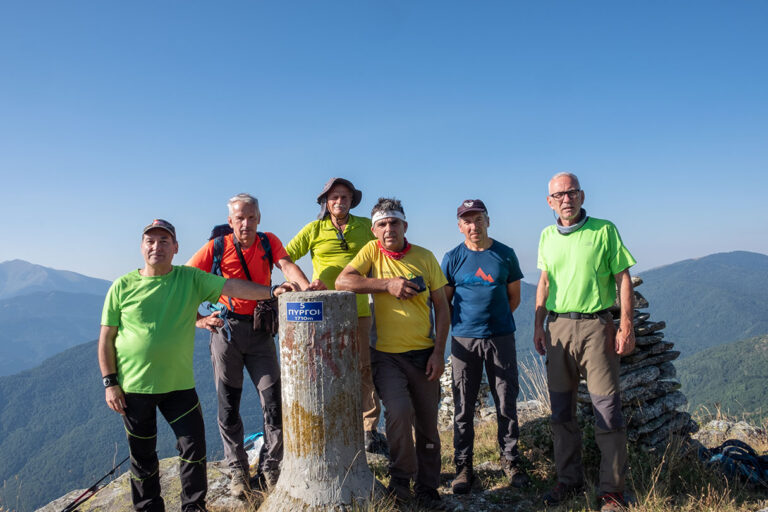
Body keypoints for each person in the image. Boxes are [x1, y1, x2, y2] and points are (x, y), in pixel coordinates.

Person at [98, 219, 296, 512]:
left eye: (164, 241)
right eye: (150, 241)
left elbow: (232, 286)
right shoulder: (122, 286)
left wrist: (272, 291)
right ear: (141, 247)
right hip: (133, 387)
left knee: (194, 450)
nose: (156, 247)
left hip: (179, 386)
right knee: (142, 457)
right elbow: (106, 338)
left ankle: (194, 508)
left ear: (176, 248)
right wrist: (110, 383)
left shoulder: (189, 279)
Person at [187, 194, 323, 497]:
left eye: (251, 217)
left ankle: (270, 466)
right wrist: (198, 319)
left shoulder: (268, 241)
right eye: (239, 218)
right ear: (230, 221)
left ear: (258, 218)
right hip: (227, 331)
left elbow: (287, 265)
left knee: (273, 400)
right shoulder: (217, 247)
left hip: (261, 331)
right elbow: (185, 278)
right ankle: (237, 469)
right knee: (229, 404)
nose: (245, 223)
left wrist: (306, 288)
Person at [336, 198, 450, 511]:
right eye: (382, 224)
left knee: (427, 424)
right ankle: (401, 483)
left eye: (394, 223)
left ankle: (427, 489)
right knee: (398, 413)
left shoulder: (425, 257)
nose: (389, 229)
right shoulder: (371, 252)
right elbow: (343, 281)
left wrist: (439, 353)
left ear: (405, 226)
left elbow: (442, 308)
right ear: (374, 230)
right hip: (386, 356)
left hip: (424, 353)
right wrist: (387, 284)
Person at [533, 173, 636, 512]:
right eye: (559, 195)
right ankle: (569, 480)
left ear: (582, 195)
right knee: (561, 412)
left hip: (596, 327)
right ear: (550, 202)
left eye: (572, 192)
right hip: (558, 328)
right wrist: (538, 325)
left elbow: (622, 278)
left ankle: (612, 492)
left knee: (607, 410)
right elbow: (544, 282)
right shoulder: (546, 236)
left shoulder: (604, 230)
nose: (566, 199)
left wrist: (626, 326)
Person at [285, 177, 387, 455]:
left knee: (364, 368)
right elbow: (284, 257)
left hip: (360, 308)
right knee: (326, 369)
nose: (339, 201)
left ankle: (368, 429)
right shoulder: (314, 229)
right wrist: (303, 284)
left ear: (352, 200)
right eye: (334, 197)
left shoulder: (365, 226)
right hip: (324, 313)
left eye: (344, 197)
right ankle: (330, 425)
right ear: (325, 202)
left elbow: (386, 251)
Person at [441, 199, 531, 494]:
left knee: (506, 400)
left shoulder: (505, 254)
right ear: (460, 226)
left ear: (488, 221)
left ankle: (511, 460)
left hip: (500, 337)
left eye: (478, 219)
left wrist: (495, 322)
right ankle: (463, 466)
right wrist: (465, 326)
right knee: (463, 404)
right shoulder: (452, 258)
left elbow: (513, 297)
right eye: (467, 221)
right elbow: (444, 301)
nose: (473, 226)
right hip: (464, 340)